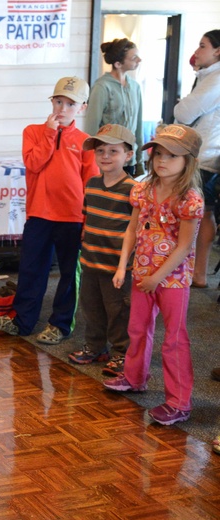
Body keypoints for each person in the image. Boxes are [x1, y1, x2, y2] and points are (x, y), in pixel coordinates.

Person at [103, 124, 204, 426]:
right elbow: (132, 230)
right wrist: (123, 266)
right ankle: (135, 378)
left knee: (174, 339)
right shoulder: (143, 190)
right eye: (158, 154)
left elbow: (185, 245)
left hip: (172, 279)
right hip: (142, 274)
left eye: (172, 156)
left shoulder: (190, 199)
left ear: (189, 161)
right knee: (138, 328)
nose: (162, 161)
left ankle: (179, 402)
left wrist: (158, 278)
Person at [0, 76, 99, 343]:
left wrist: (88, 220)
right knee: (30, 270)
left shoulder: (87, 143)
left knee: (69, 275)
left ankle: (60, 325)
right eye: (58, 101)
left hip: (72, 218)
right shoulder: (33, 132)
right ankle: (22, 321)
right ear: (52, 102)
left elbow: (91, 183)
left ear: (82, 108)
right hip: (39, 214)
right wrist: (50, 134)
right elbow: (34, 164)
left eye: (70, 104)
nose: (62, 109)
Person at [68, 124, 138, 377]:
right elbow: (87, 219)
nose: (106, 156)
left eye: (113, 151)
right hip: (91, 261)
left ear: (128, 155)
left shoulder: (133, 190)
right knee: (91, 307)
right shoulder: (92, 184)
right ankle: (96, 346)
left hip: (117, 266)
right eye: (100, 151)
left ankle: (121, 353)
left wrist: (125, 263)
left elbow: (136, 230)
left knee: (118, 311)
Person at [173, 29, 220, 289]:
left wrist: (182, 104)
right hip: (203, 153)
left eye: (203, 46)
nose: (197, 51)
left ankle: (198, 272)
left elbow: (185, 111)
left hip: (205, 156)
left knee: (200, 213)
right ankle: (194, 270)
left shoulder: (217, 78)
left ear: (218, 51)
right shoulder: (208, 76)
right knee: (200, 212)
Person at [84, 38, 144, 176]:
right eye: (134, 57)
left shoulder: (135, 87)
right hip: (107, 161)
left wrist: (139, 160)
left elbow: (138, 127)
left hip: (129, 160)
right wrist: (91, 164)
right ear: (118, 64)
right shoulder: (102, 87)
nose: (139, 60)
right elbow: (91, 129)